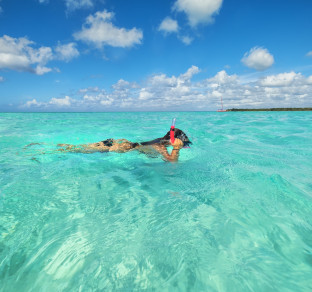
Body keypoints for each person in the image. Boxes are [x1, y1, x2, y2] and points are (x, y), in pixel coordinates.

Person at [57, 128, 192, 162]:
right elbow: (172, 162)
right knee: (80, 151)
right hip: (117, 147)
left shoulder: (158, 141)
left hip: (119, 143)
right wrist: (176, 148)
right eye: (183, 144)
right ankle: (59, 148)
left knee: (81, 148)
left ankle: (61, 145)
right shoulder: (161, 146)